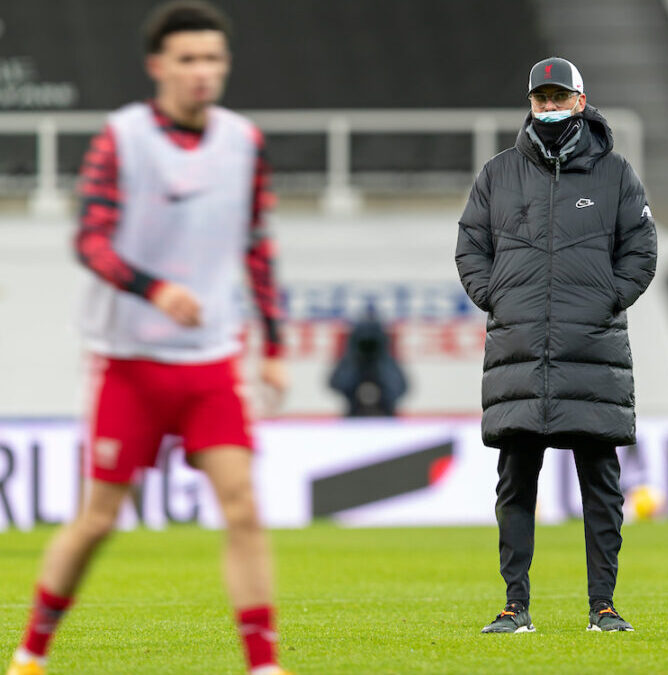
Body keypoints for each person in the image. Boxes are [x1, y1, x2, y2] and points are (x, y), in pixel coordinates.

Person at [7, 3, 291, 674]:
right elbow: (89, 239)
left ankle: (263, 663)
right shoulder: (122, 137)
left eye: (213, 59)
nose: (203, 72)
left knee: (243, 506)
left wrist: (274, 348)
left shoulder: (243, 143)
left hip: (211, 363)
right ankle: (31, 651)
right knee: (98, 519)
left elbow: (258, 248)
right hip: (129, 361)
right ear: (157, 66)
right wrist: (153, 287)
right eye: (188, 59)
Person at [455, 56, 657, 634]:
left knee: (602, 484)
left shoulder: (616, 174)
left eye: (558, 98)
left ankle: (604, 607)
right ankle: (514, 606)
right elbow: (470, 243)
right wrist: (495, 297)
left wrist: (606, 300)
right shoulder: (497, 174)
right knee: (516, 481)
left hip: (591, 349)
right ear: (531, 104)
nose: (549, 108)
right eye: (540, 99)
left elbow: (641, 248)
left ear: (580, 102)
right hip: (520, 350)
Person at [329, 309, 408, 417]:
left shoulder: (385, 358)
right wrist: (352, 356)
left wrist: (384, 356)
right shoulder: (352, 358)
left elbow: (400, 387)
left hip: (386, 418)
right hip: (354, 417)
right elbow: (337, 384)